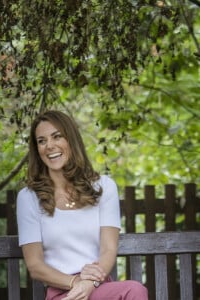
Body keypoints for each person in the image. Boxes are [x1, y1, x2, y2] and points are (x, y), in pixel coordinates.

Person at [16, 110, 148, 300]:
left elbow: (108, 250)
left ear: (71, 140)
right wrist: (76, 284)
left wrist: (90, 283)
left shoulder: (104, 187)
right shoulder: (28, 198)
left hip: (99, 287)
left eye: (57, 137)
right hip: (63, 292)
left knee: (134, 290)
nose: (50, 146)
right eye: (42, 141)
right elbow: (35, 266)